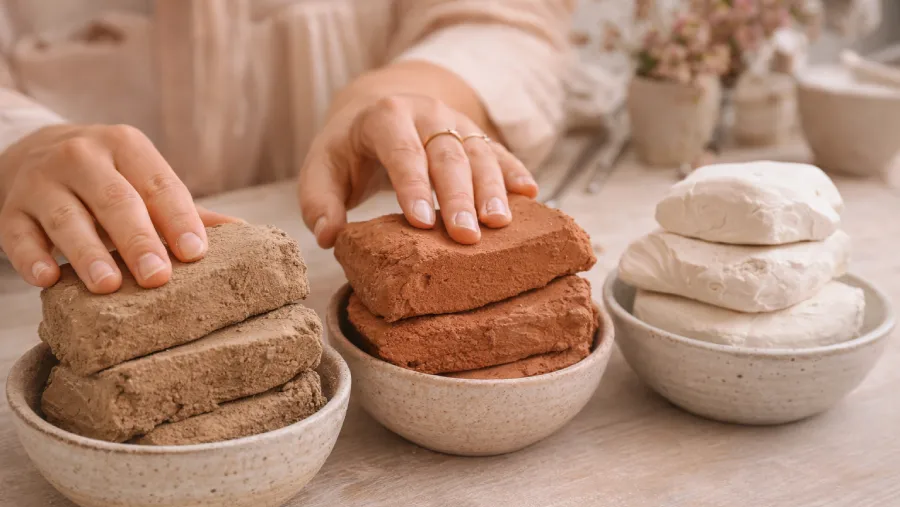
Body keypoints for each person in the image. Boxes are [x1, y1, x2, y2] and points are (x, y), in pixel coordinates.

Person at [0, 1, 575, 293]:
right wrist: (23, 143)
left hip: (332, 252)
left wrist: (405, 92)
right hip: (48, 268)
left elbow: (509, 20)